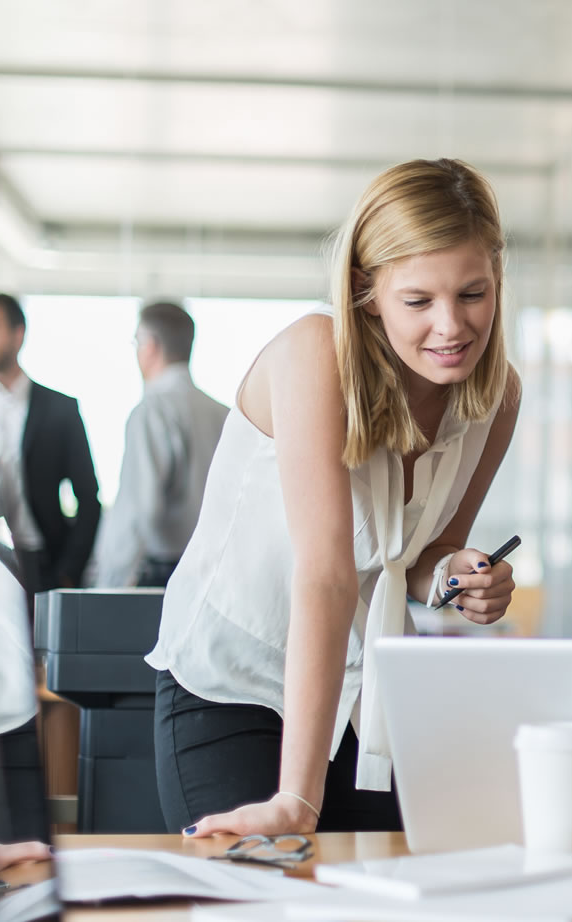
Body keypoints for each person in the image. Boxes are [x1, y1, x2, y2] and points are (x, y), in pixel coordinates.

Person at [148, 158, 521, 838]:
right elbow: (325, 573)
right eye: (418, 301)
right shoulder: (313, 352)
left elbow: (422, 560)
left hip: (363, 694)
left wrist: (457, 575)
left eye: (473, 294)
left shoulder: (496, 398)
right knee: (261, 891)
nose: (451, 327)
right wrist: (298, 796)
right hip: (236, 682)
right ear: (365, 291)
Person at [0, 294, 101, 595]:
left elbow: (88, 497)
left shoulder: (61, 409)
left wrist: (68, 573)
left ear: (18, 334)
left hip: (43, 563)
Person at [86, 301, 229, 587]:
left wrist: (108, 585)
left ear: (149, 345)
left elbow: (140, 510)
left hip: (165, 574)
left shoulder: (151, 411)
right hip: (217, 570)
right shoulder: (223, 414)